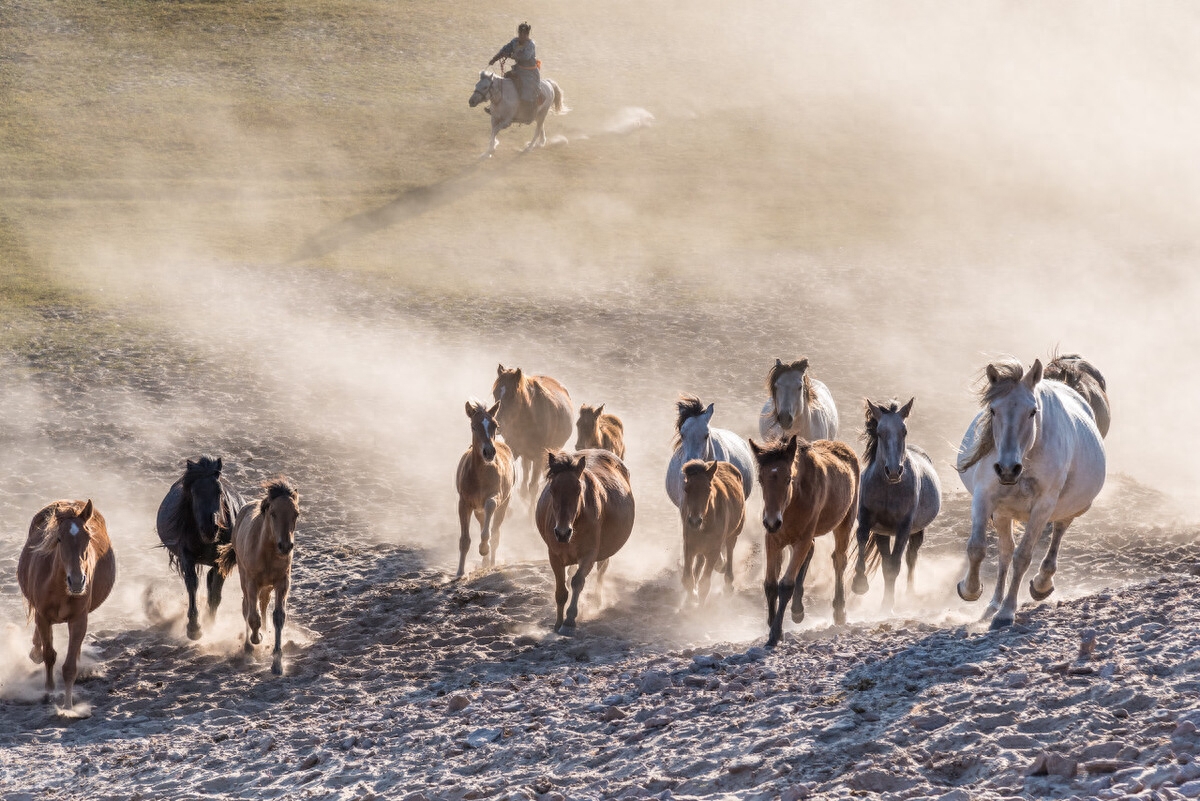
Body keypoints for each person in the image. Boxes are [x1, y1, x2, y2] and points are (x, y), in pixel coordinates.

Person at [489, 22, 541, 120]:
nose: (521, 36)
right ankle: (497, 106)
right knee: (503, 82)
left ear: (527, 35)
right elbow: (505, 49)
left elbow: (525, 57)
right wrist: (495, 58)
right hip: (518, 69)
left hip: (529, 73)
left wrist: (510, 55)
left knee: (526, 90)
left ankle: (526, 113)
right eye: (520, 33)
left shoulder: (530, 44)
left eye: (524, 34)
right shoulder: (514, 42)